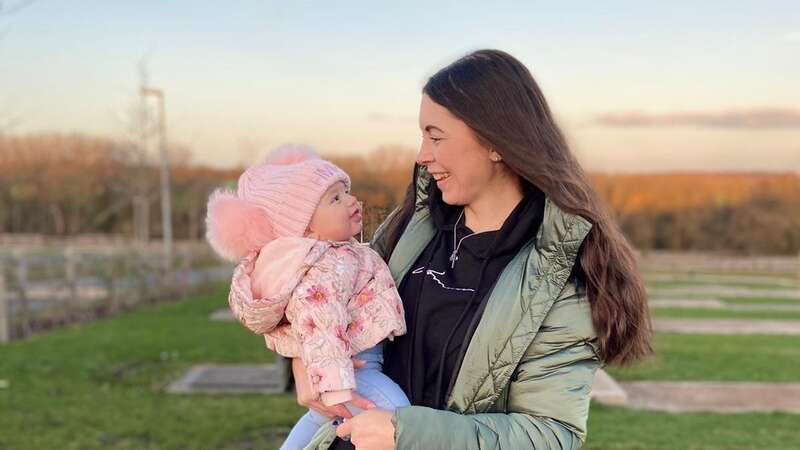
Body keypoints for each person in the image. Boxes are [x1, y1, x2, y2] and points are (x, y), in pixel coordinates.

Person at [294, 49, 653, 450]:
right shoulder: (410, 225)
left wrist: (406, 433)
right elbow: (321, 291)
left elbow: (551, 435)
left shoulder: (558, 273)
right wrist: (301, 359)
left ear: (495, 141)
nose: (422, 156)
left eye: (435, 136)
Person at [204, 145, 410, 450]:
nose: (352, 200)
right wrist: (336, 387)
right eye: (335, 199)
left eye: (346, 191)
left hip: (344, 367)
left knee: (316, 421)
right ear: (306, 227)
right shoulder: (323, 268)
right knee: (398, 417)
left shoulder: (338, 253)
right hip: (349, 370)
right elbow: (322, 324)